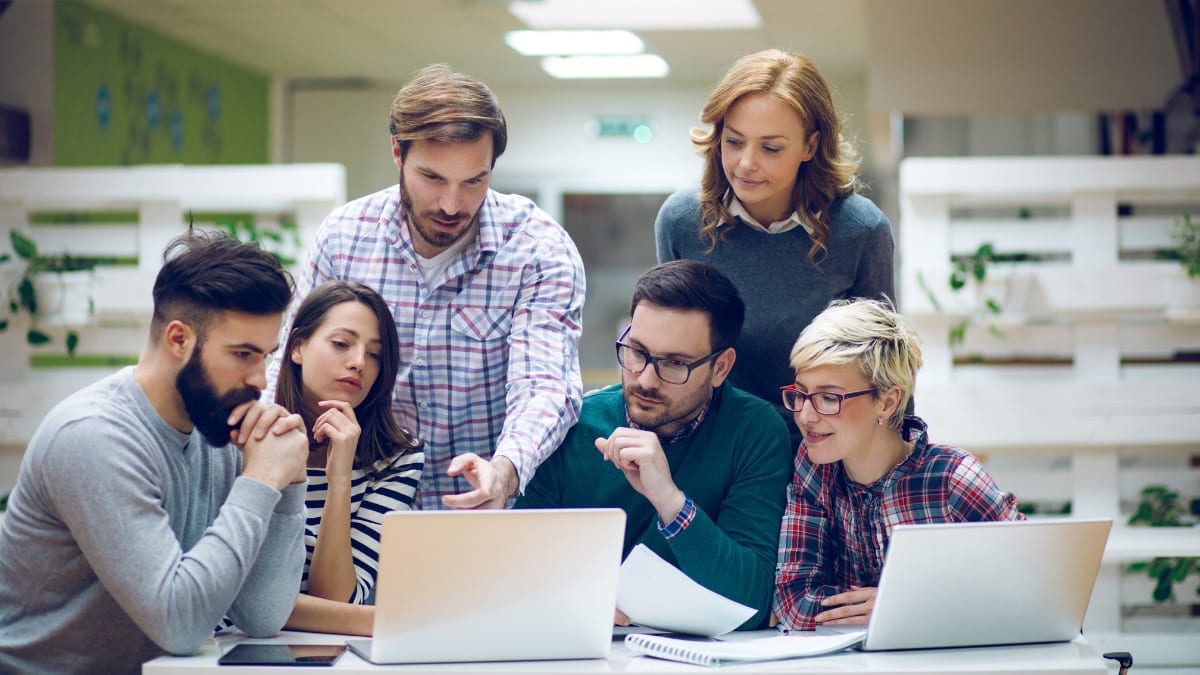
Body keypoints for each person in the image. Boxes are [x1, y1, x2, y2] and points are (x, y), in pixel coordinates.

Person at [269, 63, 585, 511]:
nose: (452, 205)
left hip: (482, 515)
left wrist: (505, 468)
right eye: (433, 178)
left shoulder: (538, 249)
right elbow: (285, 365)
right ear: (398, 152)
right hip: (356, 514)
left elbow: (545, 385)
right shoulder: (345, 237)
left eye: (474, 181)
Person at [0, 230, 309, 675]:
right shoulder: (94, 437)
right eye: (242, 354)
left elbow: (261, 617)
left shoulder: (215, 423)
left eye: (264, 355)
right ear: (178, 340)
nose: (261, 379)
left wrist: (288, 482)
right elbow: (179, 625)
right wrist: (258, 481)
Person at [517, 260, 792, 630]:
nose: (645, 379)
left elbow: (750, 605)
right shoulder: (572, 425)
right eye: (637, 352)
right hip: (579, 645)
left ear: (722, 368)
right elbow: (517, 575)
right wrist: (569, 605)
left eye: (675, 364)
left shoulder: (754, 432)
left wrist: (670, 500)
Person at [655, 48, 896, 448]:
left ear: (810, 146)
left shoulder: (861, 230)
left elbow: (885, 369)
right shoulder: (681, 221)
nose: (746, 163)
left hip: (825, 451)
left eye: (771, 148)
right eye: (734, 142)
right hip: (715, 447)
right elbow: (673, 354)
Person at [772, 298, 1023, 631]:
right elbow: (794, 601)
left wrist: (905, 606)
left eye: (828, 398)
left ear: (887, 402)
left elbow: (1031, 591)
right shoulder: (814, 466)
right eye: (800, 394)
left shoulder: (953, 479)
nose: (804, 416)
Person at [267, 280, 425, 635]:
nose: (358, 363)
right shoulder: (251, 436)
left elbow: (338, 597)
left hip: (343, 655)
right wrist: (385, 622)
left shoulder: (398, 458)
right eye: (341, 344)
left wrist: (339, 479)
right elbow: (240, 598)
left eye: (375, 355)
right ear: (297, 348)